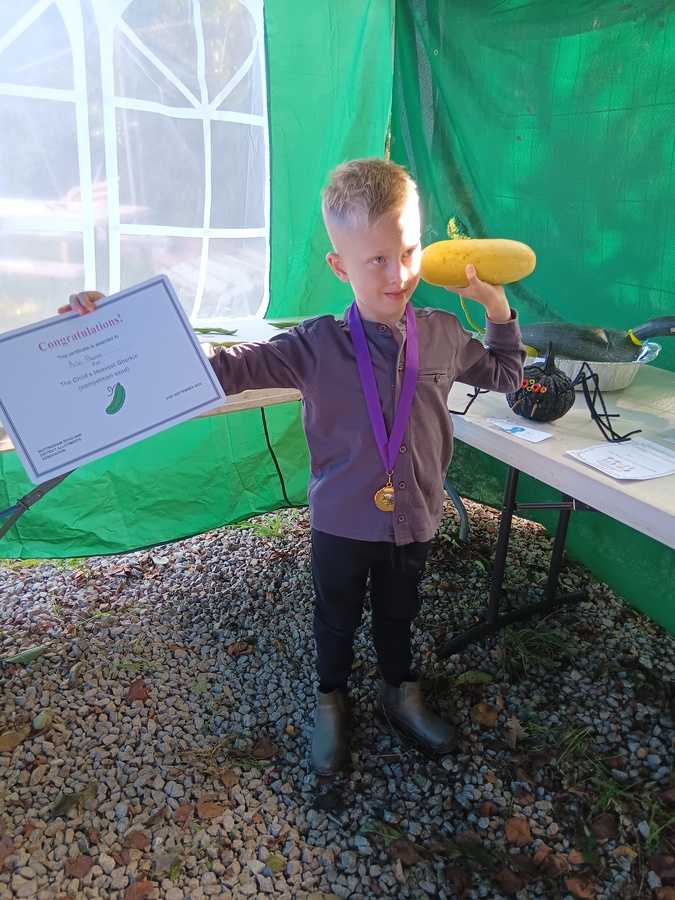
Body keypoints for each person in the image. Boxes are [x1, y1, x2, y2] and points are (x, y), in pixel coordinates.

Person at [61, 157, 526, 776]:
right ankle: (331, 699)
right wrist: (115, 332)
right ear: (340, 265)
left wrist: (497, 309)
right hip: (341, 522)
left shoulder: (442, 331)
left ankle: (400, 692)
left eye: (409, 253)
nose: (399, 274)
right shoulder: (314, 346)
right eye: (377, 260)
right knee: (334, 614)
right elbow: (223, 367)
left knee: (400, 609)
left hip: (414, 517)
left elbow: (505, 376)